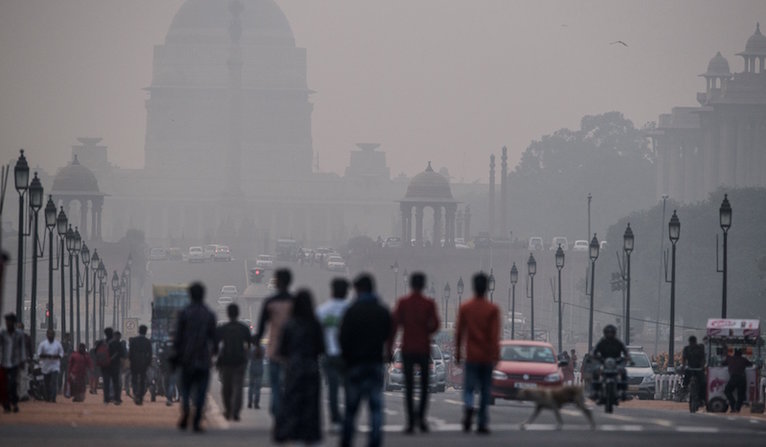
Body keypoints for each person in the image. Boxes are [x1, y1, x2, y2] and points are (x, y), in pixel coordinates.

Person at [339, 274, 392, 447]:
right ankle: (375, 441)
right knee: (376, 407)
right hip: (375, 362)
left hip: (355, 363)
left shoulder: (351, 311)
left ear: (360, 289)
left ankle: (347, 440)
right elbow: (388, 334)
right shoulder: (382, 311)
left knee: (351, 408)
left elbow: (343, 338)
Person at [389, 272, 440, 434]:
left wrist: (389, 348)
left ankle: (410, 420)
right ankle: (422, 418)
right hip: (424, 348)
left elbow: (394, 326)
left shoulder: (403, 303)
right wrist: (426, 331)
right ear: (423, 285)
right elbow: (436, 324)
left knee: (409, 387)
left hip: (408, 347)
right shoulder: (428, 303)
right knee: (424, 386)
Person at [275, 290, 325, 445]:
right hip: (311, 367)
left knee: (292, 402)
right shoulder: (315, 324)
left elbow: (282, 350)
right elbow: (321, 348)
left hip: (294, 368)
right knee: (311, 404)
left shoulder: (289, 325)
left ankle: (290, 431)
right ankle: (311, 434)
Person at [455, 273, 500, 435]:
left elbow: (459, 332)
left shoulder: (466, 308)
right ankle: (482, 421)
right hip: (487, 356)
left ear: (473, 287)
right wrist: (496, 355)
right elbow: (495, 335)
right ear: (487, 288)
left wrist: (458, 354)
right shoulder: (493, 310)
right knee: (485, 389)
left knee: (468, 387)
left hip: (471, 355)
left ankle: (468, 406)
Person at [174, 282, 217, 433]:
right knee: (201, 391)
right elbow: (214, 338)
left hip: (187, 357)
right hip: (203, 358)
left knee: (185, 387)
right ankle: (197, 419)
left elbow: (178, 338)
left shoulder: (184, 313)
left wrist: (177, 355)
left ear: (190, 295)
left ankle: (185, 406)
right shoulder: (209, 314)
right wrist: (214, 354)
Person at [254, 269, 294, 418]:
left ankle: (277, 413)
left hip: (274, 349)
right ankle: (287, 412)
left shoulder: (270, 302)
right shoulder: (294, 302)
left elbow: (261, 326)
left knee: (276, 386)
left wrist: (257, 345)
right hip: (291, 351)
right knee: (289, 385)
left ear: (277, 281)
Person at [316, 277, 349, 430]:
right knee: (350, 389)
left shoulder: (322, 310)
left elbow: (316, 333)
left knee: (333, 389)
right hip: (347, 355)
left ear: (331, 291)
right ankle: (349, 418)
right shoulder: (351, 309)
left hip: (329, 353)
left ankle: (335, 419)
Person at [216, 303, 251, 421]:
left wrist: (216, 358)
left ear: (228, 313)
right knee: (238, 387)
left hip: (226, 362)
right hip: (240, 361)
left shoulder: (223, 329)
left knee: (226, 388)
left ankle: (228, 410)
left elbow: (216, 345)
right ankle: (236, 411)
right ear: (238, 313)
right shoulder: (243, 328)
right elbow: (249, 344)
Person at [591, 325, 630, 400]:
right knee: (596, 370)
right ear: (605, 333)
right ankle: (595, 391)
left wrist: (627, 357)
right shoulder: (602, 341)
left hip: (616, 363)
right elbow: (594, 351)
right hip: (603, 362)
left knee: (623, 371)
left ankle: (624, 392)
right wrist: (593, 356)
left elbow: (625, 352)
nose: (610, 334)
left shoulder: (618, 342)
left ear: (614, 333)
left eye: (611, 332)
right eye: (608, 332)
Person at [1, 313, 27, 413]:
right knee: (3, 385)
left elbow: (22, 348)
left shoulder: (19, 334)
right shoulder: (3, 334)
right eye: (7, 322)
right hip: (4, 362)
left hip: (15, 363)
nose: (8, 324)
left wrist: (22, 360)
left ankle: (14, 402)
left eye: (10, 322)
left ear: (13, 323)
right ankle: (6, 405)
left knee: (12, 384)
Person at [36, 329, 64, 402]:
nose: (50, 336)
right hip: (45, 366)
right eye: (49, 334)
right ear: (47, 335)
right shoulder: (43, 344)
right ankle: (48, 397)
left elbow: (61, 354)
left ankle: (53, 397)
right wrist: (47, 356)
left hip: (55, 366)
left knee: (54, 382)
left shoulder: (58, 344)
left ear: (54, 335)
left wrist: (55, 357)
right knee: (47, 383)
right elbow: (39, 354)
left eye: (52, 334)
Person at [129, 325, 153, 405]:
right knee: (143, 380)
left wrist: (131, 361)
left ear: (139, 331)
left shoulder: (134, 340)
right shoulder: (147, 341)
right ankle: (141, 396)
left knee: (134, 379)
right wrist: (148, 363)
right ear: (145, 332)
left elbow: (130, 353)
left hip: (135, 362)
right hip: (144, 363)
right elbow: (150, 353)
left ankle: (136, 393)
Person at [723, 348, 753, 413]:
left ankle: (733, 404)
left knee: (727, 391)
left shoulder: (730, 359)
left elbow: (723, 364)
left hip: (733, 378)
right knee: (741, 395)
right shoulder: (744, 359)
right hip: (742, 378)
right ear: (741, 354)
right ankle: (737, 408)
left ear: (734, 353)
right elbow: (750, 364)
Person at [681, 336, 706, 404]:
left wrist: (702, 366)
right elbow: (684, 359)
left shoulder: (700, 349)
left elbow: (703, 359)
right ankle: (684, 390)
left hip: (698, 369)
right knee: (685, 381)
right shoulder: (686, 349)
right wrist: (683, 367)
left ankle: (703, 398)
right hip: (690, 368)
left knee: (703, 383)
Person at [106, 330, 127, 405]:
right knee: (117, 382)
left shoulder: (109, 344)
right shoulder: (119, 345)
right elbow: (124, 355)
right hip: (116, 366)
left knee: (114, 382)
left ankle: (114, 396)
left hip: (114, 366)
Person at [247, 344, 264, 409]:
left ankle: (250, 403)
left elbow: (248, 357)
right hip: (260, 370)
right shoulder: (262, 349)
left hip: (252, 369)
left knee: (251, 386)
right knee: (257, 388)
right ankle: (256, 404)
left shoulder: (251, 349)